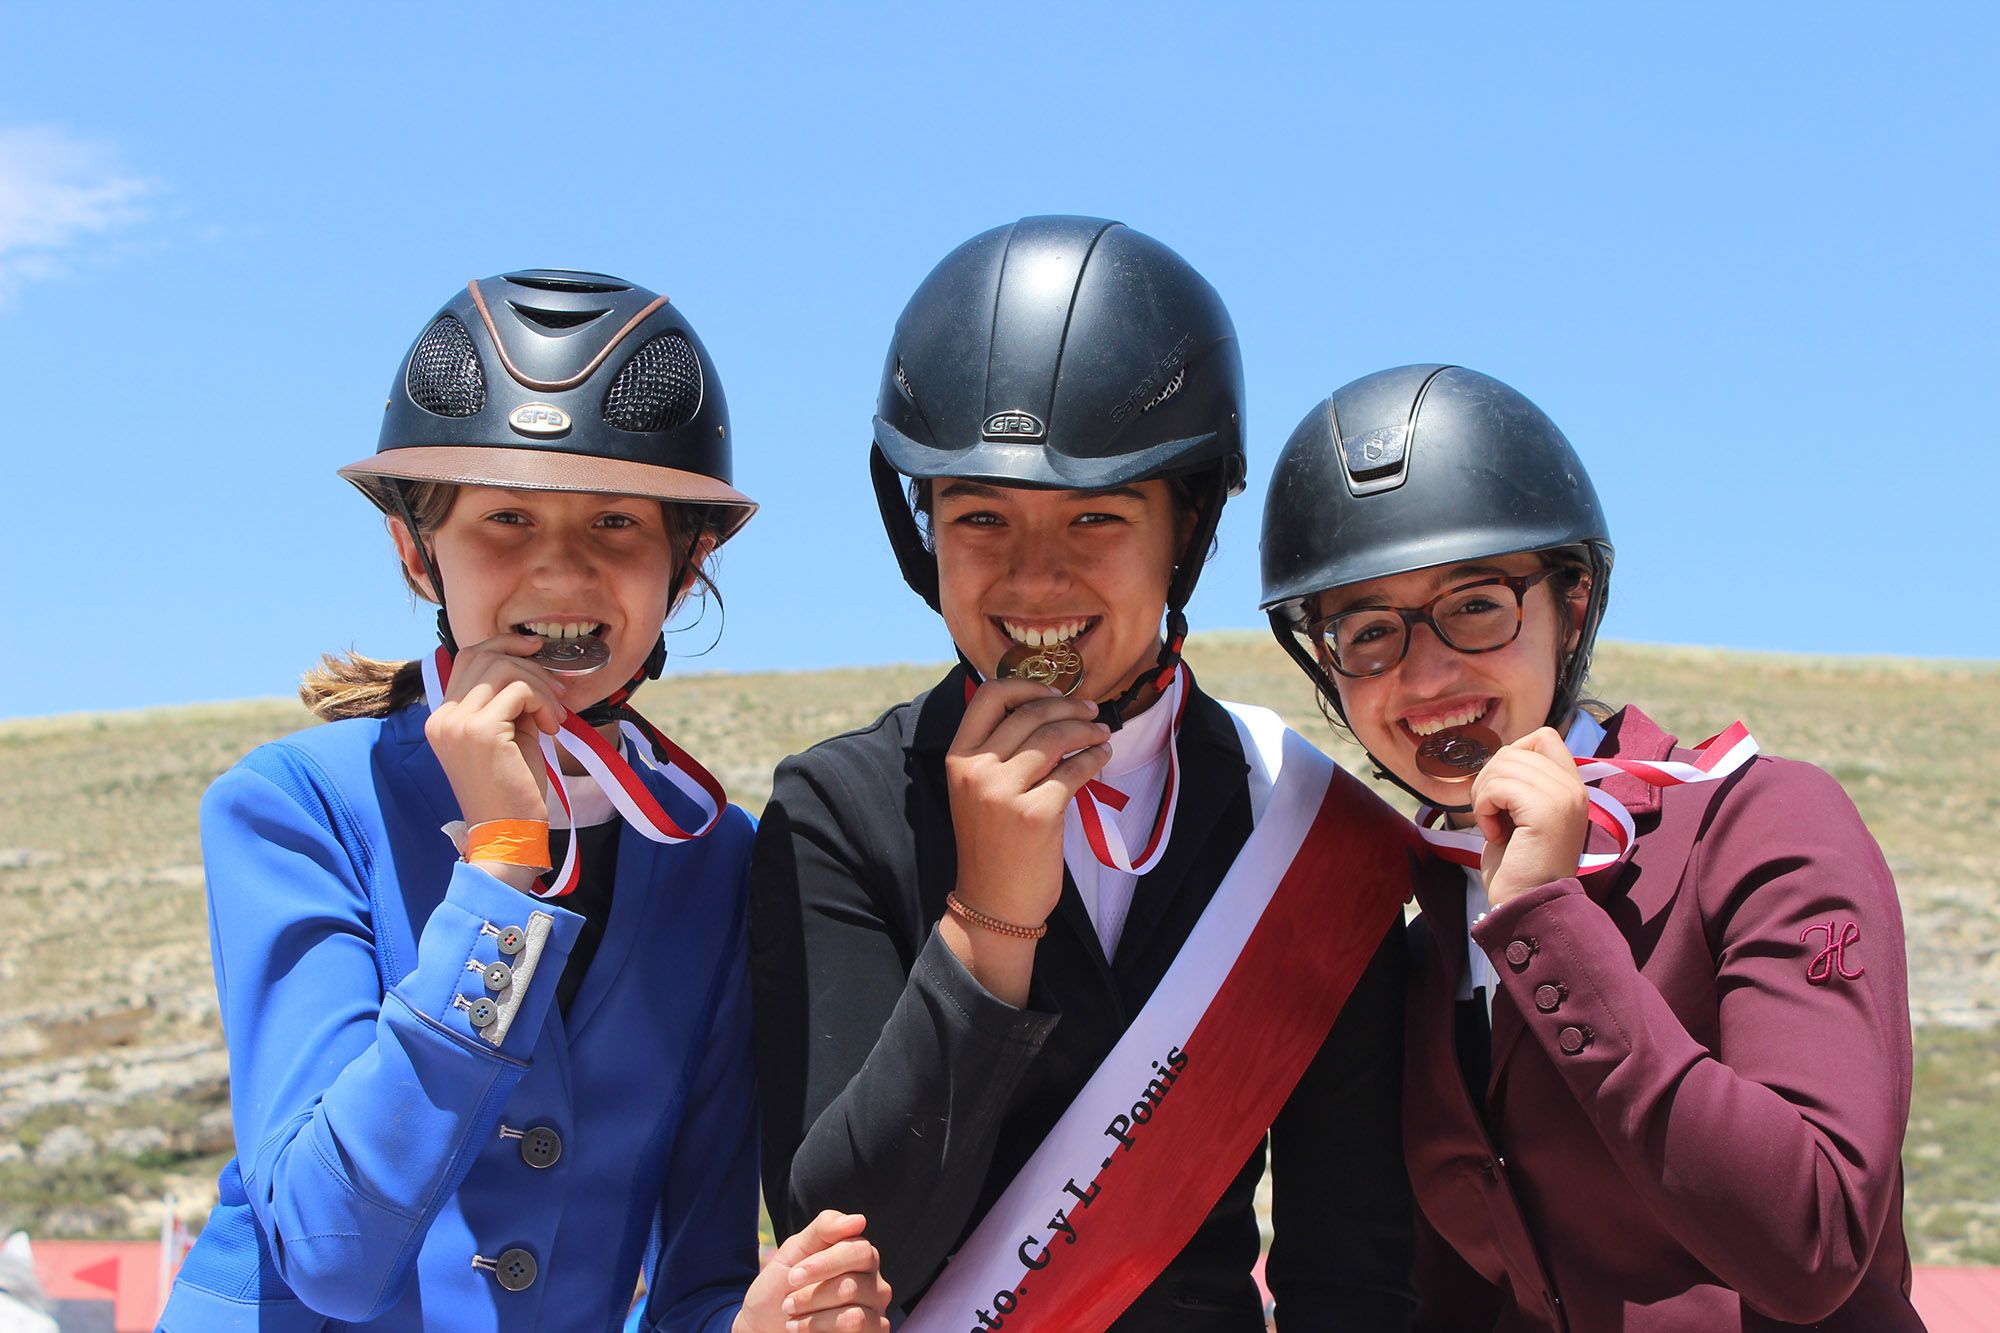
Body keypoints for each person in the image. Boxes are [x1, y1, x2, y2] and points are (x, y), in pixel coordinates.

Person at [160, 271, 891, 1332]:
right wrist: (501, 858)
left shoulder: (716, 853)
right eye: (505, 518)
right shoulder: (289, 808)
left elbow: (697, 1276)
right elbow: (329, 1248)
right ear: (416, 552)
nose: (560, 572)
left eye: (614, 522)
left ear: (688, 567)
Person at [750, 218, 1422, 1331]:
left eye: (1097, 516)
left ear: (1186, 528)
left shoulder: (1296, 828)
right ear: (921, 531)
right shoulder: (841, 807)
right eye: (978, 517)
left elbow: (1348, 1268)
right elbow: (840, 1258)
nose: (1033, 577)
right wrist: (988, 925)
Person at [1257, 364, 1922, 1331]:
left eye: (1476, 604)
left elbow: (1812, 1238)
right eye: (1366, 631)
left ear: (1570, 606)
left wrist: (1548, 925)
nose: (1426, 671)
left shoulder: (1765, 825)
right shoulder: (1423, 940)